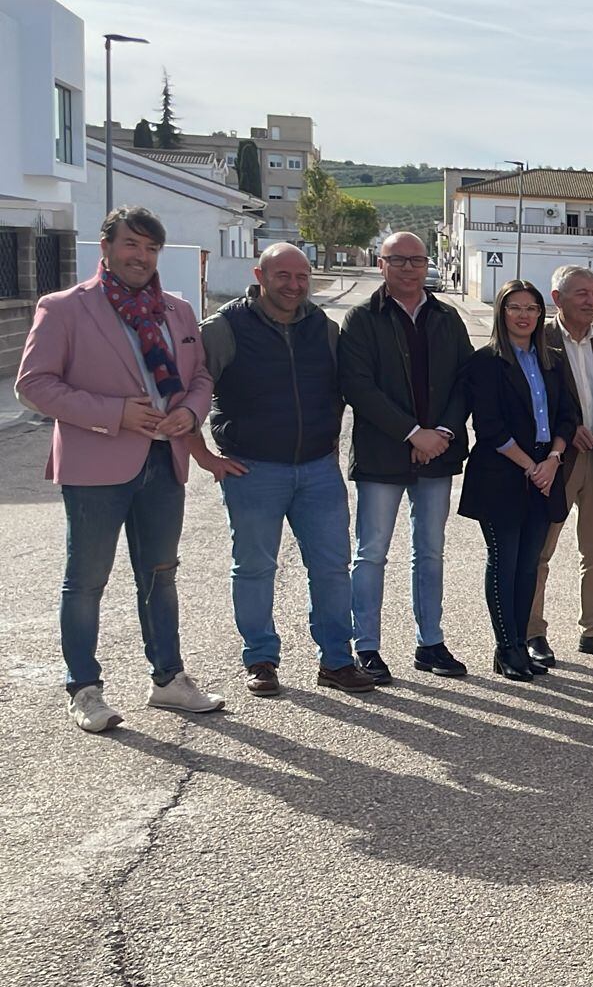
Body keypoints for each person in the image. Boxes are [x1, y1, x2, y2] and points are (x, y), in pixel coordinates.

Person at [16, 206, 223, 731]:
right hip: (95, 462)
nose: (142, 257)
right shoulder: (64, 308)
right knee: (86, 581)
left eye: (151, 248)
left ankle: (168, 680)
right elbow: (34, 385)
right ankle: (84, 688)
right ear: (105, 246)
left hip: (164, 458)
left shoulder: (175, 311)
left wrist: (189, 412)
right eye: (132, 245)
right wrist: (115, 414)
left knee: (160, 574)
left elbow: (199, 377)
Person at [186, 243, 377, 697]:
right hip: (252, 470)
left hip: (317, 471)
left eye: (302, 276)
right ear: (260, 275)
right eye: (283, 276)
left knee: (331, 568)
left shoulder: (324, 329)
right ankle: (261, 659)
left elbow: (344, 391)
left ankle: (336, 660)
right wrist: (204, 457)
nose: (294, 285)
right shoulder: (223, 328)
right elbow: (189, 393)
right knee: (254, 569)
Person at [337, 231, 473, 682]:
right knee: (371, 553)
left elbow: (463, 382)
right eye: (398, 261)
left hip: (438, 454)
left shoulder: (447, 318)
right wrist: (414, 433)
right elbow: (358, 387)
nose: (409, 268)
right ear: (381, 264)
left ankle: (430, 642)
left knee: (430, 552)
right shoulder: (361, 319)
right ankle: (367, 647)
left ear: (427, 264)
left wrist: (443, 434)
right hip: (382, 455)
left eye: (416, 260)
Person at [458, 281, 577, 681]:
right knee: (505, 562)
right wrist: (533, 467)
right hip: (502, 475)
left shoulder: (554, 360)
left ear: (541, 314)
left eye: (531, 308)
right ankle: (506, 647)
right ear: (501, 313)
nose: (524, 316)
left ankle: (522, 642)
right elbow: (490, 427)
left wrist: (555, 459)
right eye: (514, 308)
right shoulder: (485, 362)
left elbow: (567, 417)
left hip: (547, 472)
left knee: (529, 567)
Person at [526, 265, 593, 665]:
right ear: (556, 299)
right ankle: (533, 632)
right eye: (581, 294)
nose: (591, 301)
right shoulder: (539, 342)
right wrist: (566, 431)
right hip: (558, 462)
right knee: (540, 552)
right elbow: (532, 399)